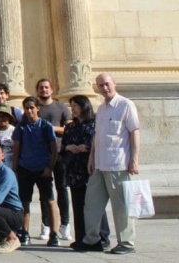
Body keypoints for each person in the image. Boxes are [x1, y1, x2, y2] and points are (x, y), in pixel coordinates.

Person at [74, 73, 140, 255]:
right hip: (100, 164)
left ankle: (126, 242)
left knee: (121, 206)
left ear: (114, 83)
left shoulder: (125, 105)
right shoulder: (101, 109)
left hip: (118, 163)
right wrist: (91, 158)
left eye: (107, 84)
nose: (104, 88)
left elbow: (134, 131)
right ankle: (93, 239)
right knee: (92, 203)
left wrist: (134, 159)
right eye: (101, 85)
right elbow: (97, 136)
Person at [12, 96, 60, 247]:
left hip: (42, 168)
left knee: (49, 201)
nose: (29, 110)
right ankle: (25, 233)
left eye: (32, 107)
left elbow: (53, 148)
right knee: (24, 202)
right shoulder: (21, 127)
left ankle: (54, 233)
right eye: (26, 108)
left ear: (38, 108)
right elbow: (17, 149)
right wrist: (15, 169)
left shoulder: (45, 125)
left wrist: (49, 167)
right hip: (25, 168)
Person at [63, 95, 110, 249]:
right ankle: (81, 237)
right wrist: (69, 147)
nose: (73, 109)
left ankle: (102, 237)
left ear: (84, 106)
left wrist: (87, 148)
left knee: (95, 203)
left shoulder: (95, 123)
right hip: (74, 169)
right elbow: (63, 145)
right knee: (78, 204)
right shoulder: (70, 126)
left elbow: (100, 143)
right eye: (72, 106)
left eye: (75, 105)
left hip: (90, 168)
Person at [35, 78, 72, 241]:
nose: (44, 90)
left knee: (62, 189)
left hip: (60, 153)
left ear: (52, 90)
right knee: (44, 191)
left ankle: (65, 224)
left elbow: (69, 128)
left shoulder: (61, 107)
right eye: (41, 88)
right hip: (42, 155)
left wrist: (50, 128)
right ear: (37, 91)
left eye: (46, 87)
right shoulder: (35, 109)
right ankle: (46, 224)